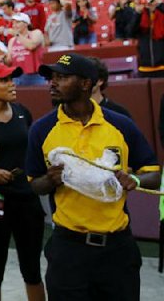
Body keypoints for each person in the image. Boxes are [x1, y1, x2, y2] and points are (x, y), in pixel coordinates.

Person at [27, 53, 160, 300]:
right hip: (68, 249)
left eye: (62, 77)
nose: (52, 83)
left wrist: (136, 181)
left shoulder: (120, 124)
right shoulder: (42, 129)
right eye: (51, 78)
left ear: (86, 83)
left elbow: (152, 172)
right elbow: (35, 184)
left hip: (118, 250)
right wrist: (50, 180)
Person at [0, 64, 45, 301]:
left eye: (12, 79)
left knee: (33, 270)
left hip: (27, 200)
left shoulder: (23, 112)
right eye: (4, 80)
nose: (12, 84)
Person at [5, 13, 46, 86]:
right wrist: (4, 59)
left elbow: (32, 46)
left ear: (26, 23)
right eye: (13, 23)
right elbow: (9, 61)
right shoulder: (12, 40)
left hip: (35, 75)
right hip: (17, 76)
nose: (14, 25)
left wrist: (17, 35)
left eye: (17, 22)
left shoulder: (36, 33)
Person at [133, 0, 164, 77]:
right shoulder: (140, 14)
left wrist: (160, 5)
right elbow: (130, 32)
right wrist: (137, 13)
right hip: (145, 67)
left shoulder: (162, 10)